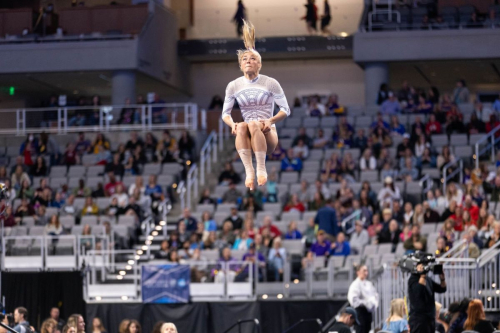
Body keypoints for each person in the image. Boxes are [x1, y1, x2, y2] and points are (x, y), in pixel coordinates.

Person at [222, 20, 290, 190]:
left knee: (252, 124)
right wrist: (232, 124)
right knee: (243, 125)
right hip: (247, 134)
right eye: (244, 59)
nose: (248, 61)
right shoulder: (234, 85)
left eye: (253, 59)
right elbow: (225, 114)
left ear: (259, 64)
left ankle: (261, 168)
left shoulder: (270, 82)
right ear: (240, 65)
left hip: (267, 133)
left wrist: (271, 121)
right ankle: (249, 172)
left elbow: (285, 109)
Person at [408, 263, 446, 333]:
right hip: (419, 320)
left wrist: (442, 278)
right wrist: (422, 275)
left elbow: (442, 289)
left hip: (430, 318)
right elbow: (418, 292)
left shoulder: (428, 279)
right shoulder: (413, 279)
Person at [347, 265, 379, 333]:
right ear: (358, 272)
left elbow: (375, 295)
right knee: (360, 330)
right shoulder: (355, 284)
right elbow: (353, 300)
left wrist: (373, 303)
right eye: (364, 271)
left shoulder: (369, 284)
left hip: (368, 312)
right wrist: (365, 303)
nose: (366, 273)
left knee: (367, 330)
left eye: (366, 271)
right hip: (360, 312)